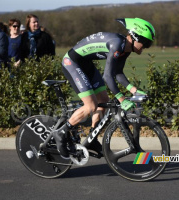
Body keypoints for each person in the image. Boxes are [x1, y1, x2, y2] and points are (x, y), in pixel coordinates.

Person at [53, 18, 155, 158]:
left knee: (103, 101)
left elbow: (117, 73)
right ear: (136, 37)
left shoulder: (126, 49)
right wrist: (121, 98)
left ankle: (92, 139)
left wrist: (134, 90)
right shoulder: (117, 44)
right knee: (91, 106)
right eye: (146, 43)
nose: (146, 47)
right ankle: (61, 132)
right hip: (72, 62)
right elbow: (107, 77)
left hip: (86, 64)